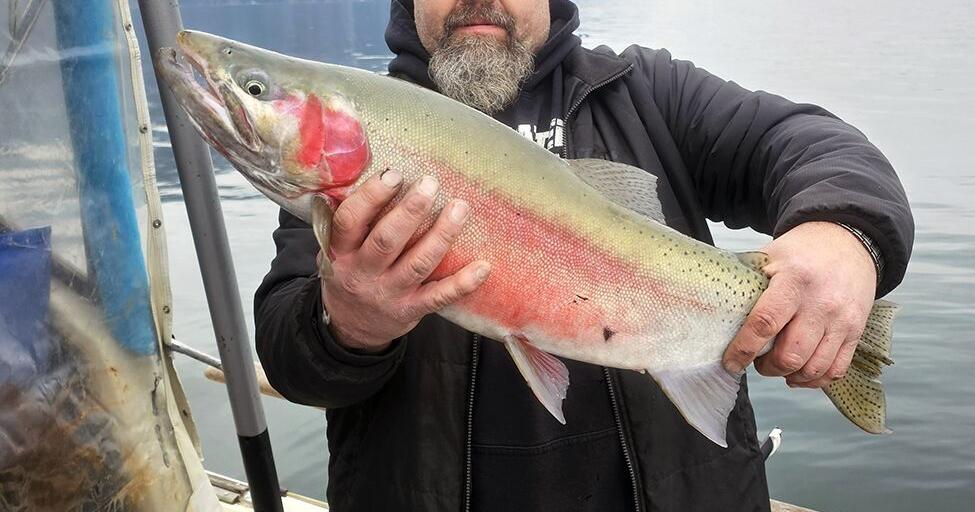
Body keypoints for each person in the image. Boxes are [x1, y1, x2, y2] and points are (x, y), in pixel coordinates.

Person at [254, 0, 914, 510]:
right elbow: (292, 361)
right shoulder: (356, 145)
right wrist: (349, 324)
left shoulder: (647, 93)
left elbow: (809, 142)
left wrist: (843, 233)